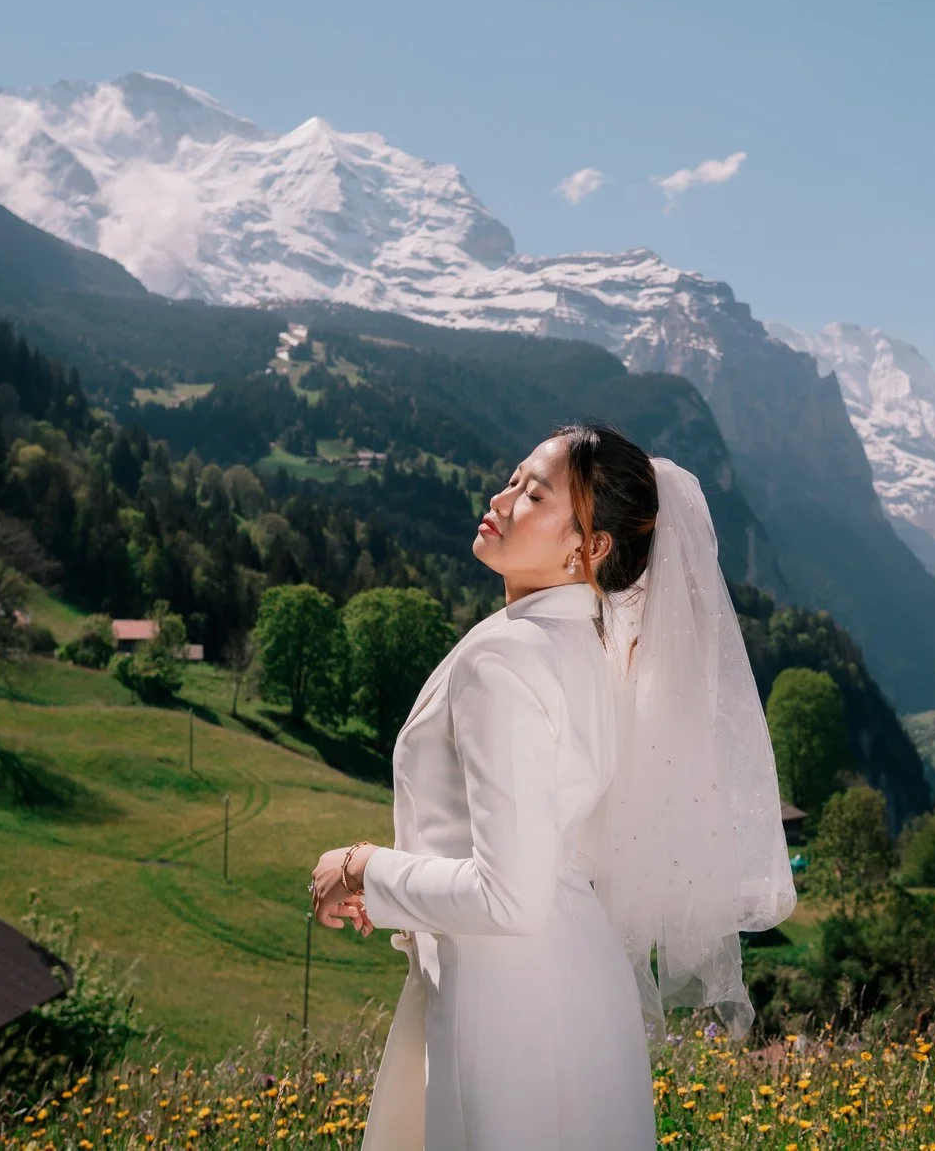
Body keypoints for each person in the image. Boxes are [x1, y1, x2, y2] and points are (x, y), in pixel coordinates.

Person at [309, 421, 796, 1151]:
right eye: (512, 479)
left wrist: (362, 867)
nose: (501, 498)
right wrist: (411, 899)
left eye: (533, 493)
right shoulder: (591, 643)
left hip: (509, 1008)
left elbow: (509, 895)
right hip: (570, 988)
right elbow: (532, 848)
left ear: (590, 546)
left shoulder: (506, 658)